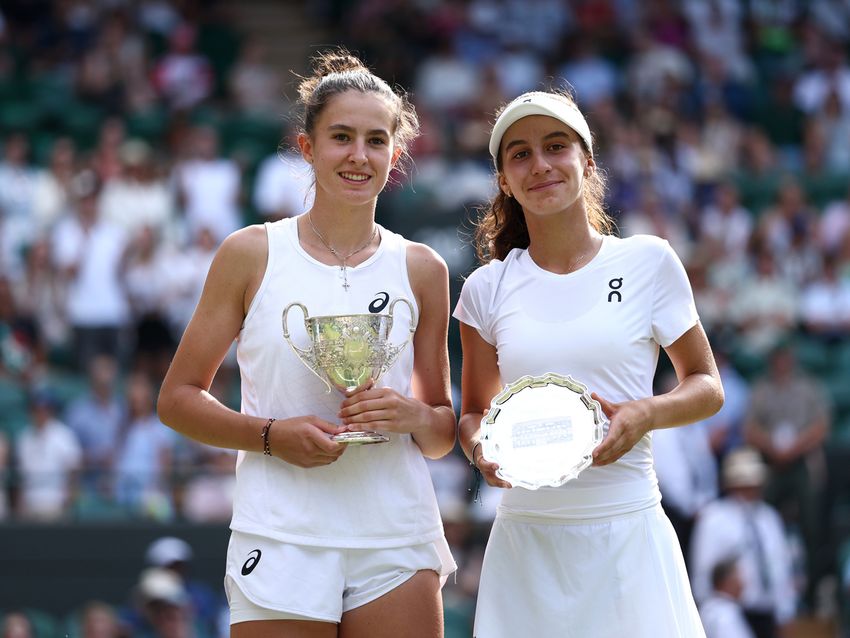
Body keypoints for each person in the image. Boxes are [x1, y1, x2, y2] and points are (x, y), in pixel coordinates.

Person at [157, 49, 457, 638]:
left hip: (395, 535)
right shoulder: (250, 253)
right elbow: (177, 399)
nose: (358, 155)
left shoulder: (424, 268)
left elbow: (442, 434)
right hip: (280, 532)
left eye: (375, 140)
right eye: (341, 137)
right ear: (307, 148)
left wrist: (414, 415)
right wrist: (271, 436)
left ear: (395, 156)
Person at [454, 89, 724, 637]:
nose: (540, 165)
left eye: (556, 146)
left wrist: (645, 413)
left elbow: (706, 385)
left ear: (588, 161)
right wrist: (481, 449)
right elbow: (475, 414)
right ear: (504, 179)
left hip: (629, 532)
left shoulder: (649, 261)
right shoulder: (485, 288)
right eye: (521, 154)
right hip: (525, 545)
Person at [690, 447, 797, 638]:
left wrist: (785, 612)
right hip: (731, 613)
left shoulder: (769, 517)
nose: (749, 489)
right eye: (743, 483)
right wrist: (712, 612)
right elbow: (703, 573)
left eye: (753, 483)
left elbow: (780, 567)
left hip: (768, 613)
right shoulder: (713, 518)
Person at [699, 557, 756, 638]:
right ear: (727, 582)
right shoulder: (725, 614)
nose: (742, 585)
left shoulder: (706, 608)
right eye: (738, 578)